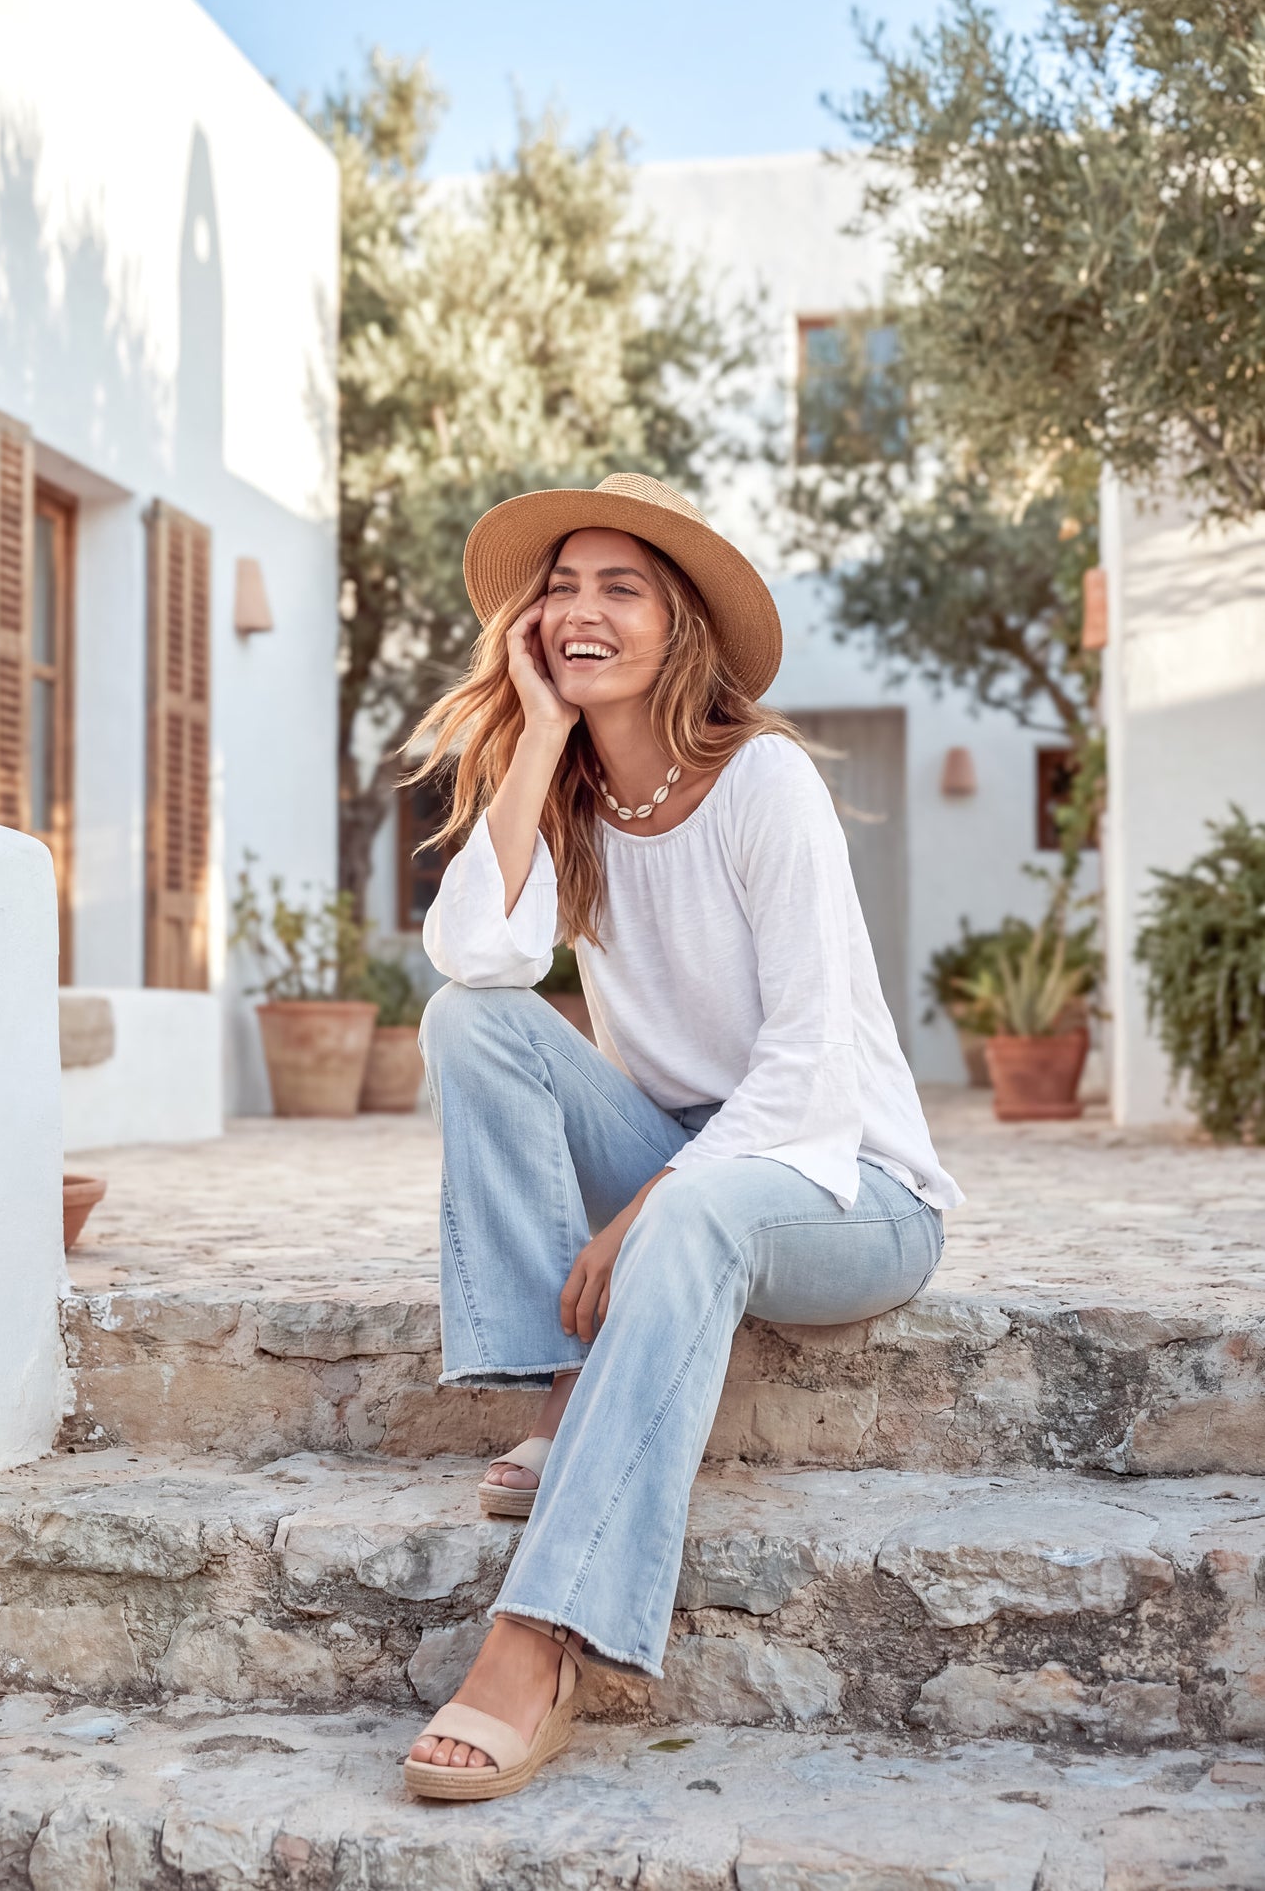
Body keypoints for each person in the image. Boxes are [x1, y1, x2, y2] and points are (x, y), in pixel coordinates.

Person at [400, 473, 963, 1801]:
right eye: (562, 587)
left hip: (848, 1181)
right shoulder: (573, 793)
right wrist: (538, 734)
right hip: (685, 1148)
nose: (582, 611)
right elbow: (478, 957)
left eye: (623, 588)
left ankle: (541, 1640)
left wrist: (649, 1206)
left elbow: (810, 1069)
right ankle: (561, 1384)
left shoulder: (766, 781)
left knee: (698, 1209)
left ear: (680, 626)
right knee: (471, 1024)